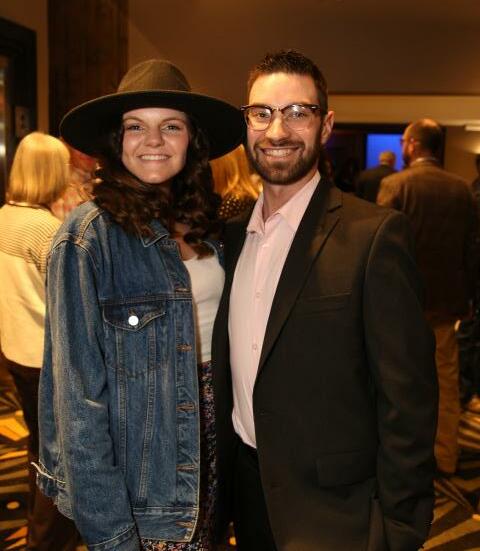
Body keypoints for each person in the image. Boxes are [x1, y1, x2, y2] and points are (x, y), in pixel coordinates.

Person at [212, 50, 438, 551]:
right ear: (246, 124)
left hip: (338, 515)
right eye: (262, 113)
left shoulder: (373, 236)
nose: (277, 131)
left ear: (326, 125)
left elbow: (409, 400)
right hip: (248, 500)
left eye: (298, 112)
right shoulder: (231, 237)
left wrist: (399, 529)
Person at [36, 59, 244, 550]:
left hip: (216, 455)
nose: (153, 140)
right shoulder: (88, 238)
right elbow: (77, 406)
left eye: (170, 126)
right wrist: (111, 534)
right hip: (145, 479)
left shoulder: (208, 225)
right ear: (118, 140)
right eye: (136, 127)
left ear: (192, 139)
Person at [378, 119, 478, 477]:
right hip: (445, 304)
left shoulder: (396, 185)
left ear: (414, 145)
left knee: (400, 381)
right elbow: (471, 249)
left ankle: (404, 456)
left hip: (402, 302)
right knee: (446, 381)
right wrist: (470, 297)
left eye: (404, 141)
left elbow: (382, 251)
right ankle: (446, 455)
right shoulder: (461, 189)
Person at [0, 132, 79, 550]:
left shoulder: (5, 216)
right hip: (46, 358)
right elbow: (72, 299)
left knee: (38, 444)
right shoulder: (45, 229)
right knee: (59, 456)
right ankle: (47, 539)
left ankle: (41, 527)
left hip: (15, 352)